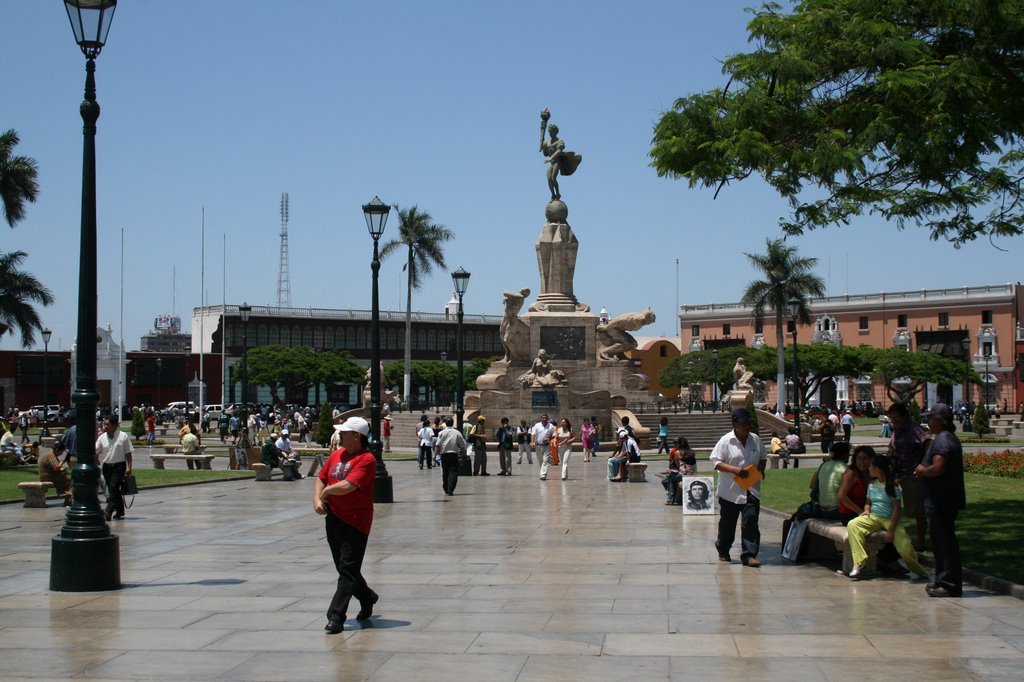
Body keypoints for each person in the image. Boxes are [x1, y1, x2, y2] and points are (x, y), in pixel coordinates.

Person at [314, 416, 379, 634]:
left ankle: (336, 617)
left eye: (344, 432)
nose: (340, 435)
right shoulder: (336, 455)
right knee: (345, 569)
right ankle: (368, 597)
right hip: (334, 518)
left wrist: (327, 492)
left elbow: (349, 485)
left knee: (348, 570)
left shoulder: (367, 459)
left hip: (356, 522)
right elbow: (321, 477)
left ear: (357, 436)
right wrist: (317, 498)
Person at [847, 454, 928, 580]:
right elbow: (868, 501)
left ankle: (918, 569)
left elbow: (896, 509)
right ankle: (859, 561)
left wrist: (891, 530)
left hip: (889, 519)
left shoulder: (893, 485)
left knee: (905, 547)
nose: (869, 469)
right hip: (873, 517)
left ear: (879, 468)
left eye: (871, 467)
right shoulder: (872, 484)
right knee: (852, 524)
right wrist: (866, 509)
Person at [914, 403, 966, 598]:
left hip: (942, 500)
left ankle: (949, 583)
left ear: (938, 420)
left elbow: (937, 468)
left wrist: (922, 471)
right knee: (940, 542)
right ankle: (942, 579)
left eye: (929, 418)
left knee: (945, 542)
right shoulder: (945, 438)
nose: (927, 422)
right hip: (941, 499)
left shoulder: (943, 440)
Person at [710, 408, 766, 567]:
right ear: (734, 424)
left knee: (751, 521)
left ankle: (749, 554)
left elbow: (763, 457)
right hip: (731, 490)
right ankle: (723, 548)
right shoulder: (725, 441)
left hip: (751, 488)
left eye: (748, 423)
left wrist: (761, 469)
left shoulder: (755, 439)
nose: (747, 426)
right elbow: (716, 462)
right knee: (728, 523)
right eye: (743, 424)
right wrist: (735, 470)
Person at [886, 402, 930, 550]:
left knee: (918, 511)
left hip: (912, 475)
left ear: (905, 417)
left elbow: (927, 444)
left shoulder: (914, 430)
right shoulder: (896, 430)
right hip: (898, 474)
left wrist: (923, 465)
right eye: (892, 419)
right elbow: (892, 449)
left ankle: (921, 541)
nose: (894, 422)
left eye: (896, 419)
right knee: (893, 507)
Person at [95, 414, 133, 522]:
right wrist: (96, 458)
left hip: (119, 466)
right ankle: (120, 511)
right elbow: (96, 449)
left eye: (108, 424)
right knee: (114, 490)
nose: (105, 426)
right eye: (104, 424)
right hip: (107, 466)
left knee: (113, 488)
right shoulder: (102, 437)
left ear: (115, 425)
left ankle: (108, 511)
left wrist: (129, 467)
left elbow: (128, 453)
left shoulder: (123, 436)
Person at [808, 442, 849, 519]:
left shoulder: (823, 465)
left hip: (822, 509)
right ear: (845, 454)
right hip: (837, 511)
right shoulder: (846, 469)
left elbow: (811, 485)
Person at [838, 445, 873, 525]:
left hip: (866, 511)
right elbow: (841, 496)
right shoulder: (851, 473)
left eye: (865, 458)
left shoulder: (872, 473)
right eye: (859, 458)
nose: (861, 462)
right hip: (850, 513)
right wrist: (860, 512)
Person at [434, 416, 467, 496]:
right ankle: (451, 489)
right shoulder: (457, 433)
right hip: (453, 454)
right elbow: (462, 446)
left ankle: (446, 487)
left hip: (444, 454)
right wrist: (464, 455)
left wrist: (435, 456)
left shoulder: (442, 433)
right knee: (453, 472)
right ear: (452, 423)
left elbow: (438, 445)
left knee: (445, 471)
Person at [662, 437, 696, 504]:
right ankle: (675, 498)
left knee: (671, 477)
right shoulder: (692, 452)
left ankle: (670, 499)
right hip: (692, 473)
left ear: (679, 444)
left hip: (684, 475)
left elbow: (678, 466)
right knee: (672, 477)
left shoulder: (677, 452)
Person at [38, 439, 71, 506]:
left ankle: (67, 498)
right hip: (47, 476)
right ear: (57, 450)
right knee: (71, 479)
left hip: (50, 475)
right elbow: (56, 468)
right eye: (62, 451)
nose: (62, 453)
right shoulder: (51, 455)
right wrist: (63, 461)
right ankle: (66, 496)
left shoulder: (51, 455)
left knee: (67, 477)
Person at [532, 414, 556, 480]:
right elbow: (533, 434)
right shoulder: (537, 425)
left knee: (545, 460)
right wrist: (532, 442)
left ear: (548, 419)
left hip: (546, 446)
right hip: (538, 445)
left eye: (545, 418)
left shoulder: (550, 426)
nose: (544, 419)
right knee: (540, 461)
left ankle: (543, 475)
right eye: (543, 418)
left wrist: (549, 438)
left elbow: (554, 435)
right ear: (541, 418)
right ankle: (542, 473)